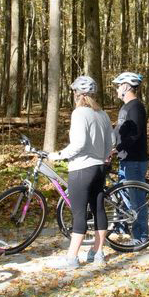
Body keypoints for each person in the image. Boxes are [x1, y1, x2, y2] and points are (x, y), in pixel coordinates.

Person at [49, 76, 114, 270]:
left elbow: (78, 144)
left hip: (81, 168)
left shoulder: (79, 114)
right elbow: (111, 143)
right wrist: (102, 157)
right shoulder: (102, 114)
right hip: (99, 168)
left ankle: (72, 258)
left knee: (79, 214)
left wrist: (59, 155)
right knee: (98, 209)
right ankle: (98, 252)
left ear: (77, 94)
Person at [110, 71, 149, 244]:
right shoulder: (125, 107)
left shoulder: (136, 107)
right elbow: (119, 131)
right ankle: (122, 226)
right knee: (122, 194)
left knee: (137, 199)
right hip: (125, 158)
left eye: (119, 86)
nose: (117, 89)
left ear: (126, 86)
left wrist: (116, 148)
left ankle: (141, 236)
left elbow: (134, 135)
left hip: (134, 160)